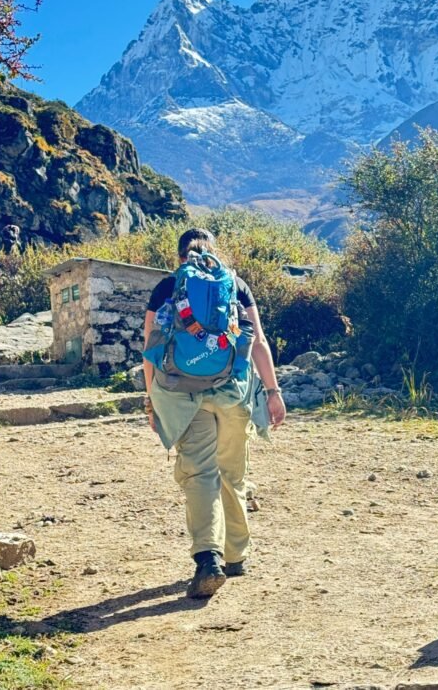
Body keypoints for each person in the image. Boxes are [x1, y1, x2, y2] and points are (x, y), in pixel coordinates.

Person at [143, 228, 286, 599]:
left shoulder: (168, 288)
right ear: (213, 251)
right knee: (233, 473)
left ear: (179, 257)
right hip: (233, 393)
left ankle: (209, 558)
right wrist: (272, 392)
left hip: (184, 396)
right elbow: (259, 342)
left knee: (199, 474)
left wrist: (151, 400)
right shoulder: (235, 284)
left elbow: (151, 349)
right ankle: (237, 555)